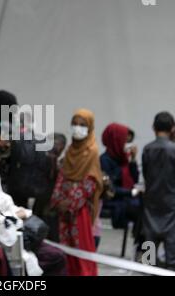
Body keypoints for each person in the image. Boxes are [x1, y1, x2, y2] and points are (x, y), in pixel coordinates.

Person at [50, 109, 103, 276]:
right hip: (64, 208)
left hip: (80, 209)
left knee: (81, 244)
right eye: (74, 124)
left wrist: (71, 203)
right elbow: (62, 176)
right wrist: (58, 201)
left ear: (90, 127)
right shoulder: (70, 149)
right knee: (66, 245)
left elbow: (91, 181)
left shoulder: (92, 150)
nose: (77, 128)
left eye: (82, 125)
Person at [142, 111, 175, 270]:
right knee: (173, 246)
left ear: (153, 127)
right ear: (172, 128)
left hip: (151, 202)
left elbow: (146, 175)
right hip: (172, 203)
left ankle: (146, 270)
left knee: (149, 244)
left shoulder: (147, 149)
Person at [100, 123, 140, 230]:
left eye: (130, 142)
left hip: (126, 196)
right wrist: (131, 192)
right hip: (114, 200)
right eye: (125, 142)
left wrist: (133, 160)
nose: (128, 145)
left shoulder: (124, 159)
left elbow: (135, 179)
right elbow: (109, 187)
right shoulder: (104, 160)